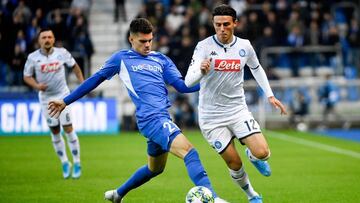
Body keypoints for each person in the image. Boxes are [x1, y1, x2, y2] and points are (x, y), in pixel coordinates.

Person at [48, 18, 228, 203]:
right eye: (143, 41)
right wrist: (66, 101)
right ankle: (212, 198)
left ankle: (118, 194)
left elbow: (182, 86)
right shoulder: (121, 59)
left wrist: (206, 81)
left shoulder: (161, 59)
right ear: (131, 39)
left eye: (150, 40)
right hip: (151, 119)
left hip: (162, 117)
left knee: (155, 169)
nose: (148, 44)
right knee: (190, 153)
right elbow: (94, 80)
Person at [185, 4, 287, 203]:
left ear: (235, 24)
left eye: (225, 24)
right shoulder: (203, 47)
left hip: (237, 110)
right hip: (211, 117)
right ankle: (252, 195)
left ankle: (253, 155)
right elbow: (188, 81)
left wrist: (270, 95)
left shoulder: (245, 46)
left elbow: (256, 68)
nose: (221, 29)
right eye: (217, 25)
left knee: (263, 153)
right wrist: (201, 71)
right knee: (234, 162)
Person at [23, 28, 84, 179]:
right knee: (55, 131)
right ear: (39, 40)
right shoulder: (32, 57)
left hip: (63, 97)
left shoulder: (62, 52)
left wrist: (83, 84)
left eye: (49, 37)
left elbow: (75, 67)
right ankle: (64, 162)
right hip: (46, 99)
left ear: (54, 39)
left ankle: (77, 162)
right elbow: (26, 76)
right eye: (44, 37)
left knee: (68, 128)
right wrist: (37, 86)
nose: (47, 40)